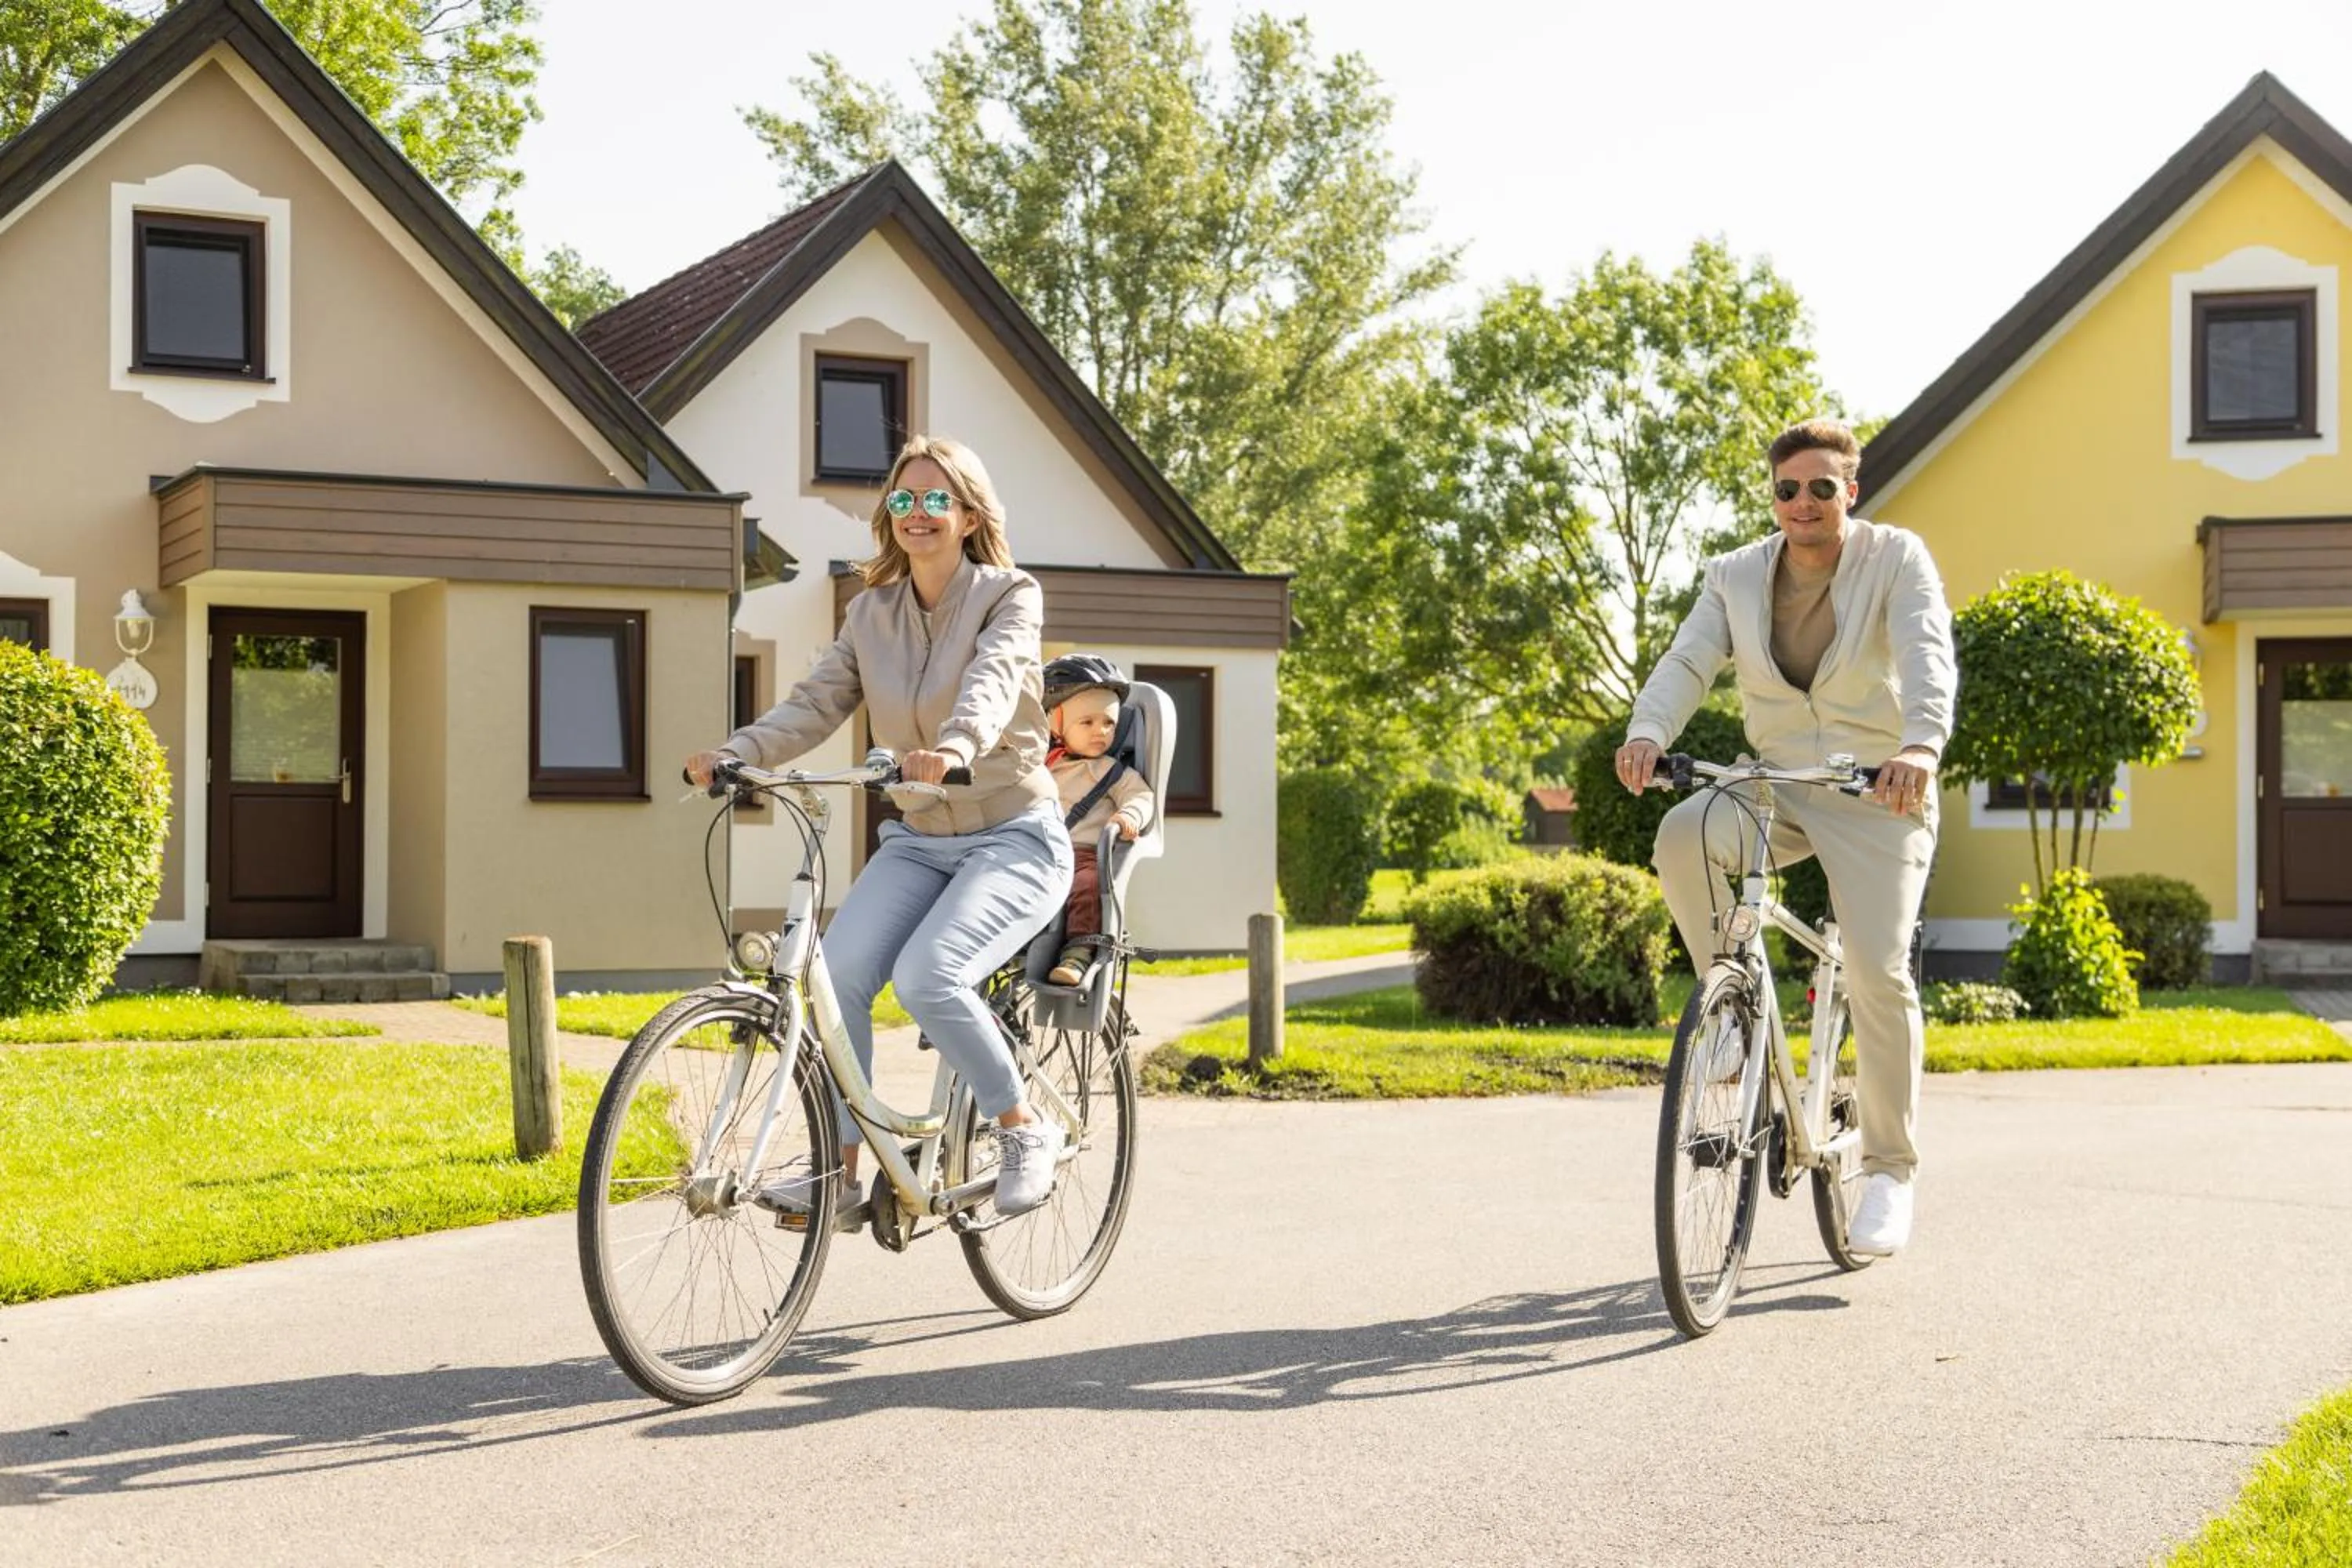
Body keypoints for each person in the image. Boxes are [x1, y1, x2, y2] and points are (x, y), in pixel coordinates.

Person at [685, 435, 1073, 1225]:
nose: (918, 513)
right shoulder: (871, 611)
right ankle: (841, 1172)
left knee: (930, 975)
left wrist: (959, 745)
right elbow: (816, 700)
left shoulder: (1009, 593)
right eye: (903, 500)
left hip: (1015, 834)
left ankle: (1023, 1125)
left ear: (969, 514)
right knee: (837, 978)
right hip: (919, 837)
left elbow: (995, 678)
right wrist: (739, 752)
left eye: (937, 499)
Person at [1613, 418, 1955, 1257]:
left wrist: (1919, 744)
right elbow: (1689, 658)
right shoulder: (1734, 575)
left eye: (1821, 487)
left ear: (1852, 491)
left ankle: (1890, 1169)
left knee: (1876, 968)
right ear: (1773, 497)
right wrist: (1648, 728)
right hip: (1775, 786)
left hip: (1877, 791)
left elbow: (1925, 651)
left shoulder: (1896, 558)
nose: (1802, 503)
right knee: (1683, 831)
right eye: (1786, 489)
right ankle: (1729, 1007)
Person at [1038, 654, 1156, 986]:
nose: (1100, 732)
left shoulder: (1110, 771)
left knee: (1088, 882)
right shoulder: (1040, 767)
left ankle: (1078, 952)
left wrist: (1128, 815)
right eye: (1086, 722)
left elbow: (1141, 796)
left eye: (1109, 724)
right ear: (1056, 723)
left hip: (1081, 851)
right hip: (1035, 850)